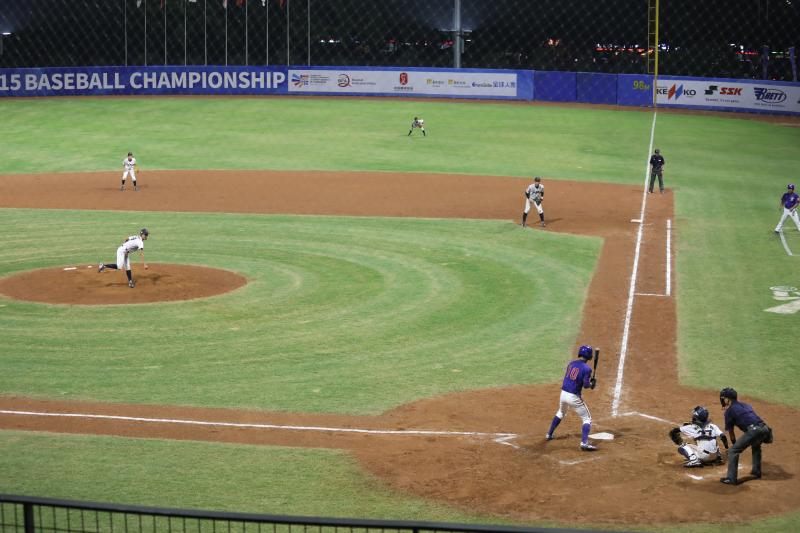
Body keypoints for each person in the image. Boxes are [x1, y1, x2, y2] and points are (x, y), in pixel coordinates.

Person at [545, 345, 597, 451]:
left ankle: (549, 434)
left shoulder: (571, 363)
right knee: (587, 419)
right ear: (589, 356)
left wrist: (589, 381)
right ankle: (584, 443)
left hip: (563, 394)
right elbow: (586, 385)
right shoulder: (587, 369)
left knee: (561, 412)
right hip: (573, 396)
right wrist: (592, 384)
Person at [719, 387, 773, 485]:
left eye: (724, 398)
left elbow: (731, 432)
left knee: (733, 451)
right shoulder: (746, 405)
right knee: (756, 445)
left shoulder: (729, 411)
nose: (723, 400)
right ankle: (756, 471)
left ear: (728, 399)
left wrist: (735, 445)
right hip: (765, 429)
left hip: (754, 431)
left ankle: (731, 479)